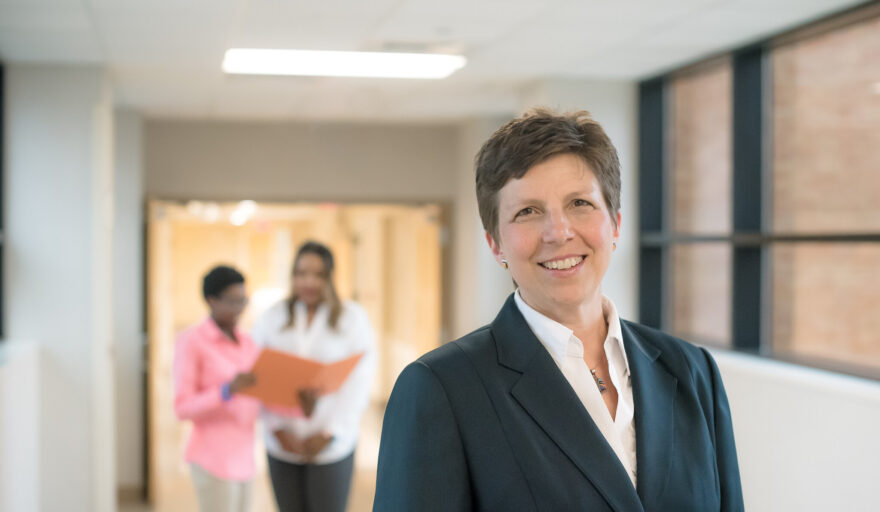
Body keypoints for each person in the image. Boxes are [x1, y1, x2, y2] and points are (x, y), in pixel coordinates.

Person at [374, 109, 744, 511]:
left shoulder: (692, 371)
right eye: (527, 212)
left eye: (580, 203)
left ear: (615, 224)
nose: (559, 232)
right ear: (495, 244)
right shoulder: (442, 388)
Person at [253, 241, 376, 512]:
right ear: (292, 276)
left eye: (318, 274)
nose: (308, 281)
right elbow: (257, 377)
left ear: (330, 277)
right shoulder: (271, 318)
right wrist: (276, 428)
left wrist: (331, 433)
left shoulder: (352, 319)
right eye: (300, 273)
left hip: (331, 445)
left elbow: (360, 382)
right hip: (282, 442)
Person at [173, 265, 260, 512]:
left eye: (243, 301)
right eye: (233, 301)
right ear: (211, 300)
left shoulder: (248, 343)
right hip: (212, 459)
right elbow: (182, 407)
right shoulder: (192, 341)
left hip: (245, 457)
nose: (239, 309)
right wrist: (226, 391)